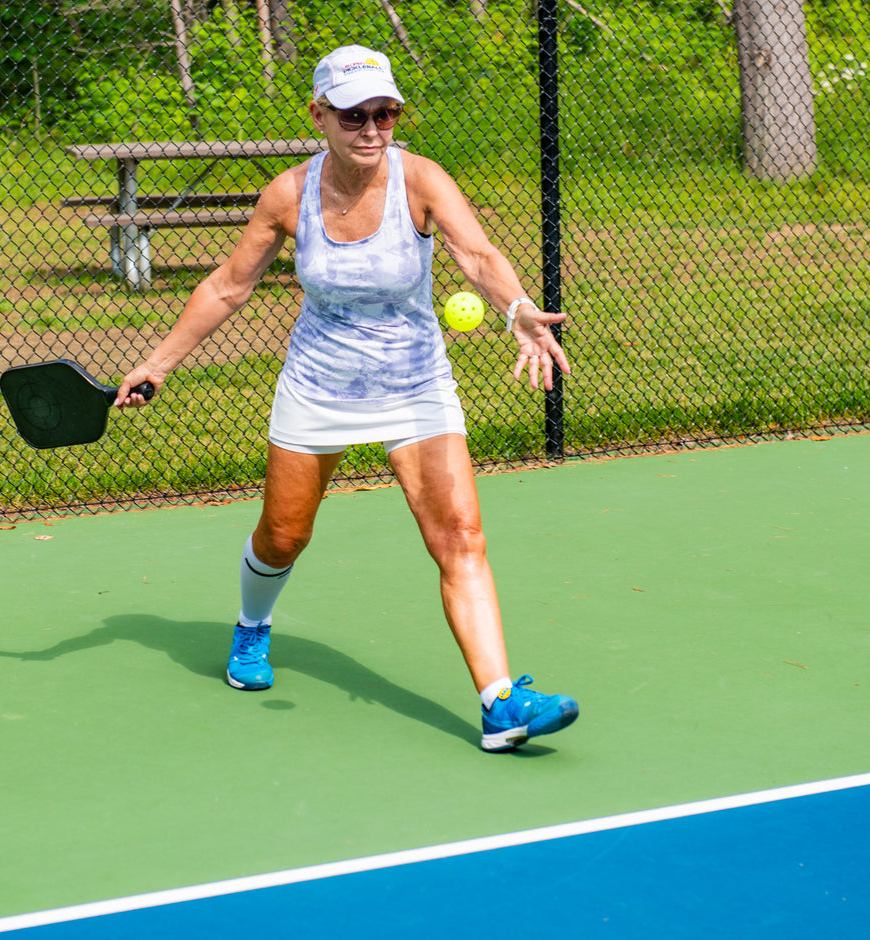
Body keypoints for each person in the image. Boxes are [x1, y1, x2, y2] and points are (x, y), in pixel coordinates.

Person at [115, 44, 578, 752]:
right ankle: (252, 627)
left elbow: (478, 255)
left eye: (385, 113)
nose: (372, 129)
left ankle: (501, 704)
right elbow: (226, 287)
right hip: (318, 386)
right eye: (354, 115)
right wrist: (158, 363)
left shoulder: (420, 180)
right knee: (284, 535)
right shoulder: (287, 194)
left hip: (415, 384)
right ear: (319, 116)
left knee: (460, 537)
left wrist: (516, 308)